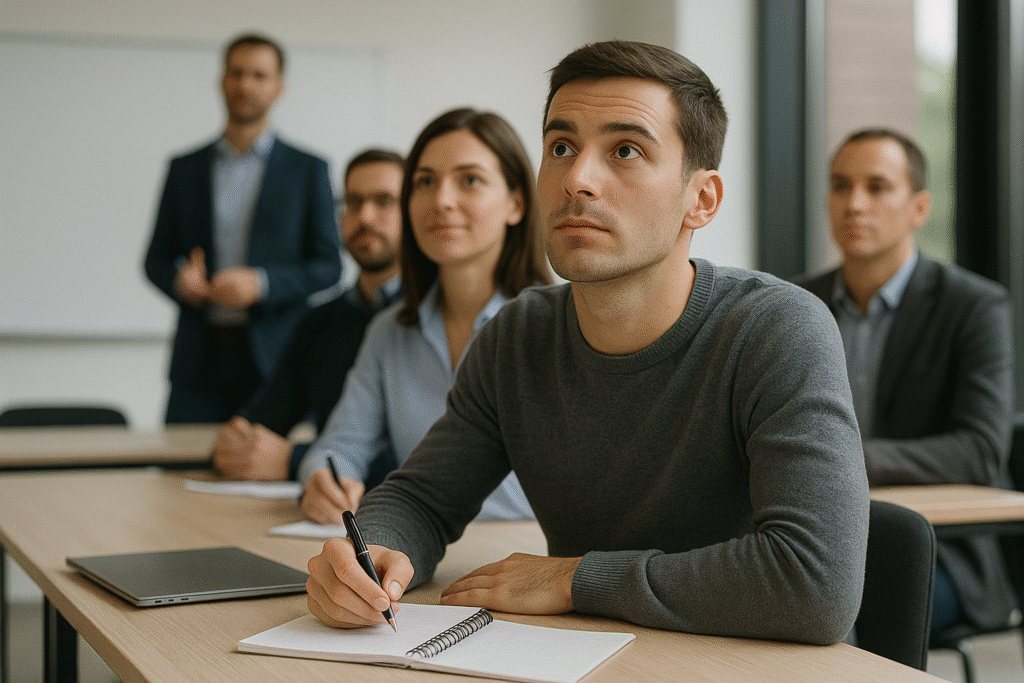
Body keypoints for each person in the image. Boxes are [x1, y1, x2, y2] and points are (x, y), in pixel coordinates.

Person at [305, 41, 868, 645]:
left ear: (701, 199)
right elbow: (422, 497)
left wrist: (577, 579)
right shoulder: (517, 335)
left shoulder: (778, 329)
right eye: (561, 147)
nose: (577, 179)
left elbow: (816, 586)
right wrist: (369, 556)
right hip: (581, 657)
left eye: (625, 150)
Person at [796, 127, 1016, 636]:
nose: (854, 204)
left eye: (877, 187)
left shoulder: (973, 306)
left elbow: (981, 450)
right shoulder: (796, 304)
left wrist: (843, 457)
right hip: (817, 534)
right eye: (839, 185)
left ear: (919, 208)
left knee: (836, 604)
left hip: (942, 553)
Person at [298, 107, 551, 522]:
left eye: (470, 180)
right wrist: (325, 481)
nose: (441, 201)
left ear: (517, 204)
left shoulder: (563, 329)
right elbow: (339, 446)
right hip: (418, 554)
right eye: (425, 182)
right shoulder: (389, 331)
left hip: (529, 564)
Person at [144, 33, 341, 424]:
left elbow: (329, 266)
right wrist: (180, 282)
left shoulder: (307, 169)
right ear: (222, 81)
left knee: (274, 477)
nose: (246, 85)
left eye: (259, 75)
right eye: (236, 73)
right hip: (198, 362)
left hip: (276, 360)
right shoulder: (185, 168)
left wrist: (263, 284)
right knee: (177, 474)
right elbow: (155, 259)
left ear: (278, 87)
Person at [211, 149, 405, 482]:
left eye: (384, 201)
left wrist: (294, 459)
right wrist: (236, 442)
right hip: (327, 511)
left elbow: (423, 464)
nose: (366, 217)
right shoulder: (322, 322)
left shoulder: (433, 320)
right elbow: (263, 421)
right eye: (353, 203)